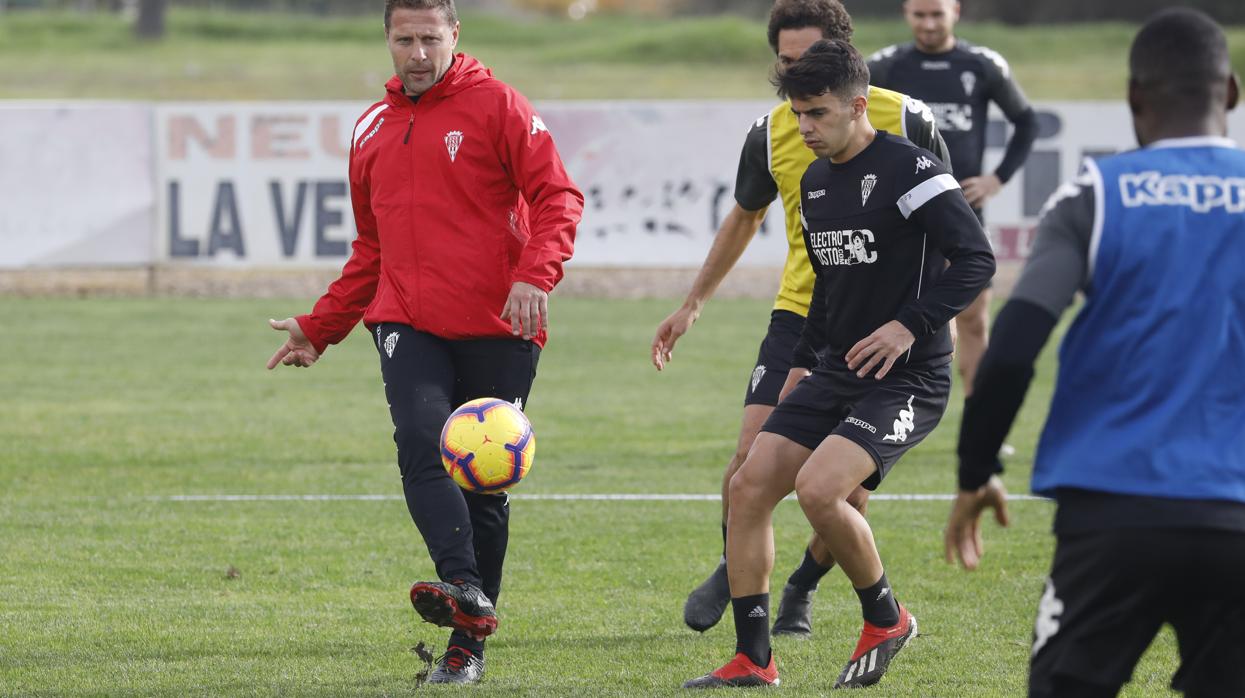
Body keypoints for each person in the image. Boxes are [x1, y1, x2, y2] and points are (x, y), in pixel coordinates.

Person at [266, 0, 582, 685]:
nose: (416, 53)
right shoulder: (372, 127)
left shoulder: (499, 106)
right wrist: (321, 328)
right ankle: (464, 591)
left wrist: (534, 276)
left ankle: (469, 640)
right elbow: (371, 248)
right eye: (404, 39)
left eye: (429, 39)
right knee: (420, 437)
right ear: (386, 39)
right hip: (406, 320)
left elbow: (559, 197)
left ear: (454, 36)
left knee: (485, 484)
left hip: (501, 322)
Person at [946, 8, 1245, 698]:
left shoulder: (1094, 196)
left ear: (1133, 97)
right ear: (1228, 92)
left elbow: (1014, 345)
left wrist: (975, 467)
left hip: (1113, 513)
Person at [684, 39, 994, 689]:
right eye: (797, 115)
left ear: (859, 107)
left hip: (909, 375)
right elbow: (826, 290)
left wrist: (906, 326)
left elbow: (975, 261)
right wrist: (802, 366)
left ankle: (886, 619)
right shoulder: (815, 182)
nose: (804, 128)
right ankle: (753, 659)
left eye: (817, 114)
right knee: (747, 486)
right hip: (834, 368)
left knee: (821, 489)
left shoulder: (912, 172)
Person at [652, 0, 951, 639]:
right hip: (804, 314)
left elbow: (951, 233)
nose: (796, 79)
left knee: (843, 487)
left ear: (845, 64)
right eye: (786, 65)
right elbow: (745, 215)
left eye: (808, 63)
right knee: (750, 459)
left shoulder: (908, 122)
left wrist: (928, 325)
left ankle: (801, 590)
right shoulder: (772, 131)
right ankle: (742, 580)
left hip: (885, 324)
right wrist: (694, 301)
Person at [868, 0, 1038, 400]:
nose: (928, 24)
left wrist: (997, 179)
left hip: (961, 211)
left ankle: (978, 420)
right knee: (877, 312)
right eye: (919, 15)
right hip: (899, 213)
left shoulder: (982, 64)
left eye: (936, 14)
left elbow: (1027, 122)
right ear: (906, 14)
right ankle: (867, 415)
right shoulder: (885, 67)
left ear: (955, 12)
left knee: (975, 319)